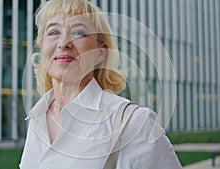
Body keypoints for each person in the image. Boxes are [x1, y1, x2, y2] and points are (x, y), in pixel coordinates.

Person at [19, 0, 182, 169]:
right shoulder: (37, 118)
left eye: (78, 32)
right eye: (53, 32)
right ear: (42, 47)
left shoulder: (135, 123)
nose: (64, 43)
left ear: (100, 53)